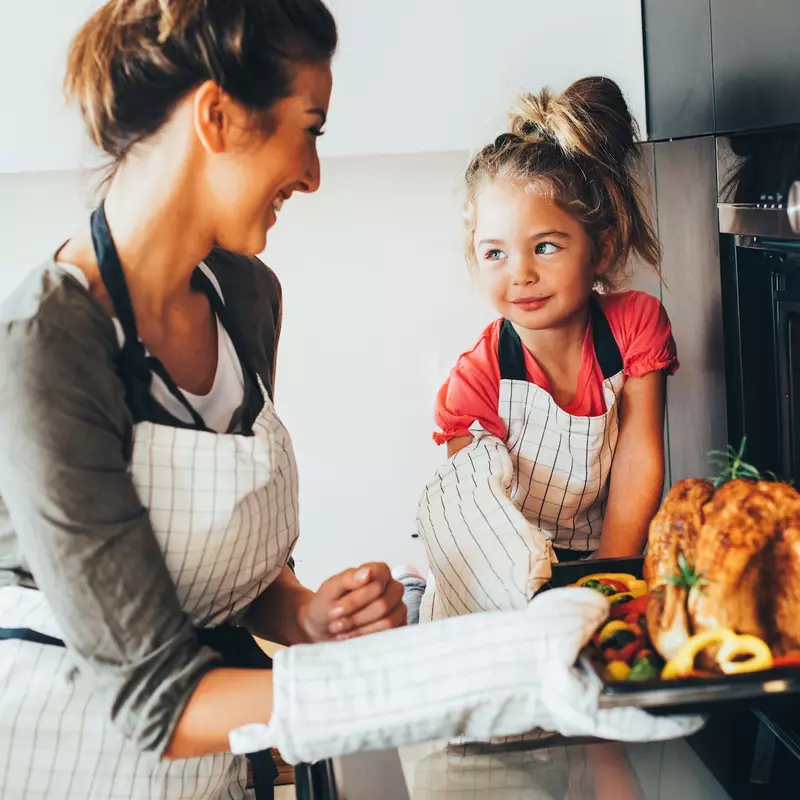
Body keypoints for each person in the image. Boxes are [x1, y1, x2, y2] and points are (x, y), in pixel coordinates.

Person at [0, 5, 700, 797]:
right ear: (218, 117)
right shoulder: (47, 346)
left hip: (224, 767)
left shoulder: (244, 296)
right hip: (72, 759)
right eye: (312, 128)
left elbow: (214, 574)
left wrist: (304, 615)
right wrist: (468, 670)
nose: (313, 173)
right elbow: (154, 702)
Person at [416, 77, 679, 621]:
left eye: (545, 246)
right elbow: (479, 523)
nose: (522, 274)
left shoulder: (634, 328)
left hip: (602, 556)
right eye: (495, 254)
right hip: (499, 581)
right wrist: (540, 609)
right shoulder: (477, 380)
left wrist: (609, 579)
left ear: (600, 249)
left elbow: (637, 460)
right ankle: (415, 593)